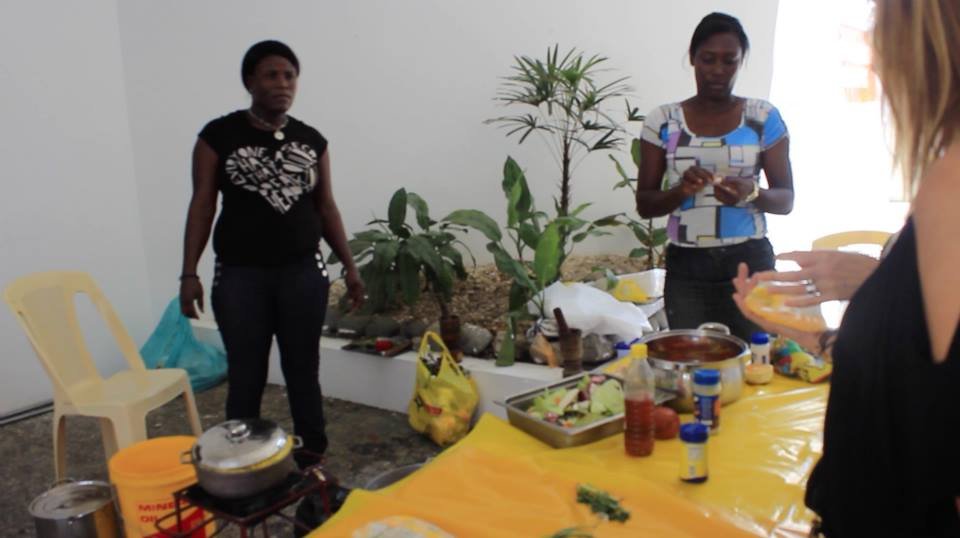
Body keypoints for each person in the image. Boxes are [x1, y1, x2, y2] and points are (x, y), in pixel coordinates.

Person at [732, 1, 960, 535]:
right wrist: (817, 333)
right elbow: (914, 385)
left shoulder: (950, 191)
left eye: (879, 22)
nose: (870, 46)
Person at [179, 40, 364, 462]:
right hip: (241, 277)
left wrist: (350, 267)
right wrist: (188, 272)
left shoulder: (312, 140)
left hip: (302, 274)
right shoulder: (218, 136)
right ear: (250, 81)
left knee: (303, 371)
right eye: (271, 75)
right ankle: (241, 465)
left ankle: (312, 464)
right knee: (247, 375)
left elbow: (326, 207)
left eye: (290, 75)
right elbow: (203, 204)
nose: (282, 84)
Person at [636, 12, 794, 341]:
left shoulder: (762, 117)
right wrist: (681, 191)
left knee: (759, 363)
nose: (718, 71)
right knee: (692, 367)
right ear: (693, 58)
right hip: (687, 267)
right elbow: (646, 204)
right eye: (708, 59)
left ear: (741, 62)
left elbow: (785, 200)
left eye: (729, 61)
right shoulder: (663, 121)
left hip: (749, 264)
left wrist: (751, 193)